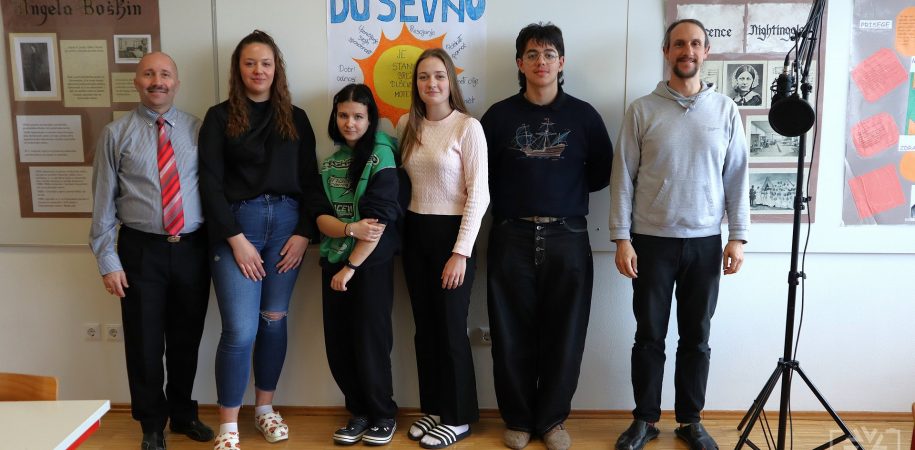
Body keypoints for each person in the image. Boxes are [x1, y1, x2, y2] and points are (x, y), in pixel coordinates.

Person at [610, 18, 749, 450]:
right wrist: (621, 238)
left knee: (696, 338)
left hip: (705, 242)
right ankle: (645, 420)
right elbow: (623, 177)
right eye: (678, 44)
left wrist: (738, 236)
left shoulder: (725, 110)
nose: (687, 51)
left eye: (695, 44)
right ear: (666, 51)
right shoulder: (641, 110)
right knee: (649, 336)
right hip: (650, 241)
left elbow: (737, 176)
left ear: (706, 52)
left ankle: (690, 421)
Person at [480, 22, 613, 450]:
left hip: (568, 236)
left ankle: (552, 420)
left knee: (566, 334)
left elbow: (601, 173)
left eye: (549, 54)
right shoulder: (498, 117)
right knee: (509, 333)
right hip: (510, 235)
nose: (542, 62)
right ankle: (519, 419)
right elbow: (481, 177)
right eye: (533, 54)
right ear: (520, 63)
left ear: (562, 61)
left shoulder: (585, 116)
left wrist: (560, 196)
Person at [198, 30, 321, 450]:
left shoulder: (296, 117)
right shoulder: (219, 118)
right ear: (238, 69)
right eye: (249, 63)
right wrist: (236, 239)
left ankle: (265, 409)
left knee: (273, 319)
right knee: (240, 329)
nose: (258, 70)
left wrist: (304, 232)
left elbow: (310, 181)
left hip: (287, 227)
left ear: (276, 69)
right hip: (237, 228)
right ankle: (228, 426)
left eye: (265, 63)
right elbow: (209, 184)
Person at [89, 51, 213, 450]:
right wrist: (108, 262)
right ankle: (151, 423)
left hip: (192, 249)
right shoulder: (116, 134)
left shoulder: (198, 129)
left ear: (177, 82)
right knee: (144, 342)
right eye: (148, 74)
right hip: (141, 251)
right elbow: (103, 204)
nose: (157, 81)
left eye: (165, 74)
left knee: (186, 339)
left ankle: (183, 414)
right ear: (136, 81)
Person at [396, 47, 489, 449]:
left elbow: (479, 195)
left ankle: (459, 417)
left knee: (451, 330)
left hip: (453, 236)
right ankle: (434, 408)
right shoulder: (406, 124)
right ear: (415, 84)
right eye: (423, 77)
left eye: (438, 76)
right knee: (426, 329)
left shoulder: (468, 128)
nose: (431, 83)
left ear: (450, 81)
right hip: (415, 234)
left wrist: (460, 252)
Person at [316, 84, 401, 446]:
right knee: (339, 343)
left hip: (368, 266)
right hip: (332, 260)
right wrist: (349, 228)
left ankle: (383, 414)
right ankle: (359, 413)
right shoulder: (329, 163)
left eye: (358, 116)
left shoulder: (382, 157)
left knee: (370, 341)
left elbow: (377, 224)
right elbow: (319, 217)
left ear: (370, 119)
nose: (350, 123)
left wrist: (350, 268)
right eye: (343, 115)